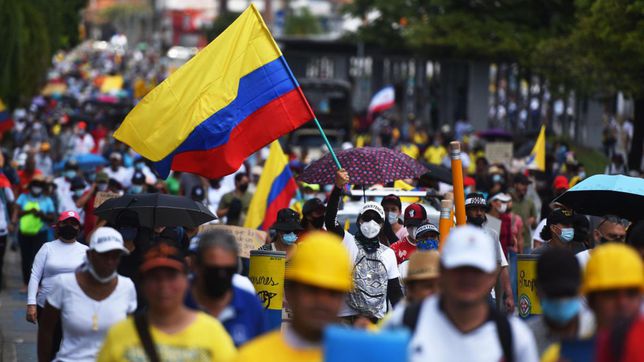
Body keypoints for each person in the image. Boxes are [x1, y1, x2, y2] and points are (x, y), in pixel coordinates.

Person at [384, 225, 538, 362]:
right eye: (459, 269)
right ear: (443, 272)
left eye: (477, 270)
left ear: (492, 276)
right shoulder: (403, 323)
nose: (468, 278)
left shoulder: (514, 337)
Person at [97, 242, 237, 361]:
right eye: (155, 278)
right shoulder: (118, 335)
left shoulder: (212, 332)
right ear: (142, 284)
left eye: (171, 277)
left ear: (186, 281)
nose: (163, 286)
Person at [235, 231, 352, 361]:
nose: (322, 301)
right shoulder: (251, 358)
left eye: (333, 293)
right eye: (312, 290)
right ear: (290, 291)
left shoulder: (359, 357)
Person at [37, 227, 136, 362]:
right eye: (104, 254)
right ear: (90, 255)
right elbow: (46, 331)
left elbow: (128, 334)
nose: (110, 261)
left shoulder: (127, 287)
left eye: (115, 255)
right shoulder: (63, 284)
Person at [326, 194, 402, 323]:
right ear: (359, 220)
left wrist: (404, 320)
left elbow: (395, 292)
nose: (371, 223)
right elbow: (330, 221)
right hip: (347, 317)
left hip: (374, 321)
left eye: (376, 220)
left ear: (382, 225)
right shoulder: (347, 241)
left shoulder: (388, 253)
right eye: (367, 218)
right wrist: (338, 189)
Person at [186, 230, 268, 346]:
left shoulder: (250, 304)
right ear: (196, 266)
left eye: (229, 270)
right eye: (213, 270)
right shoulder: (176, 298)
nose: (221, 275)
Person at [527, 248, 595, 357]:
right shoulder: (524, 338)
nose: (561, 301)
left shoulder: (598, 333)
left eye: (567, 293)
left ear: (581, 290)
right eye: (554, 294)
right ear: (537, 291)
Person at [27, 211, 88, 323]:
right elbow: (35, 276)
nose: (69, 226)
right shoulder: (47, 248)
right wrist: (31, 304)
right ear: (58, 226)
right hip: (46, 306)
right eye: (66, 223)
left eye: (73, 223)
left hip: (75, 308)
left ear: (79, 228)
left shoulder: (86, 251)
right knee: (49, 340)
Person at [465, 193, 514, 312]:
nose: (479, 213)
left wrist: (508, 294)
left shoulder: (492, 234)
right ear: (466, 211)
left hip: (486, 294)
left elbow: (500, 264)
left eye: (482, 209)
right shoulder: (457, 233)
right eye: (475, 209)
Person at [12, 175, 56, 291]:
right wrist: (27, 212)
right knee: (26, 258)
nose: (36, 188)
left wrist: (42, 215)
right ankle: (26, 283)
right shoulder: (23, 197)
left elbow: (52, 217)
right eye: (34, 185)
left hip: (40, 234)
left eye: (39, 186)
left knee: (39, 259)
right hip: (24, 233)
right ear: (31, 186)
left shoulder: (47, 200)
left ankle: (39, 284)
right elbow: (16, 211)